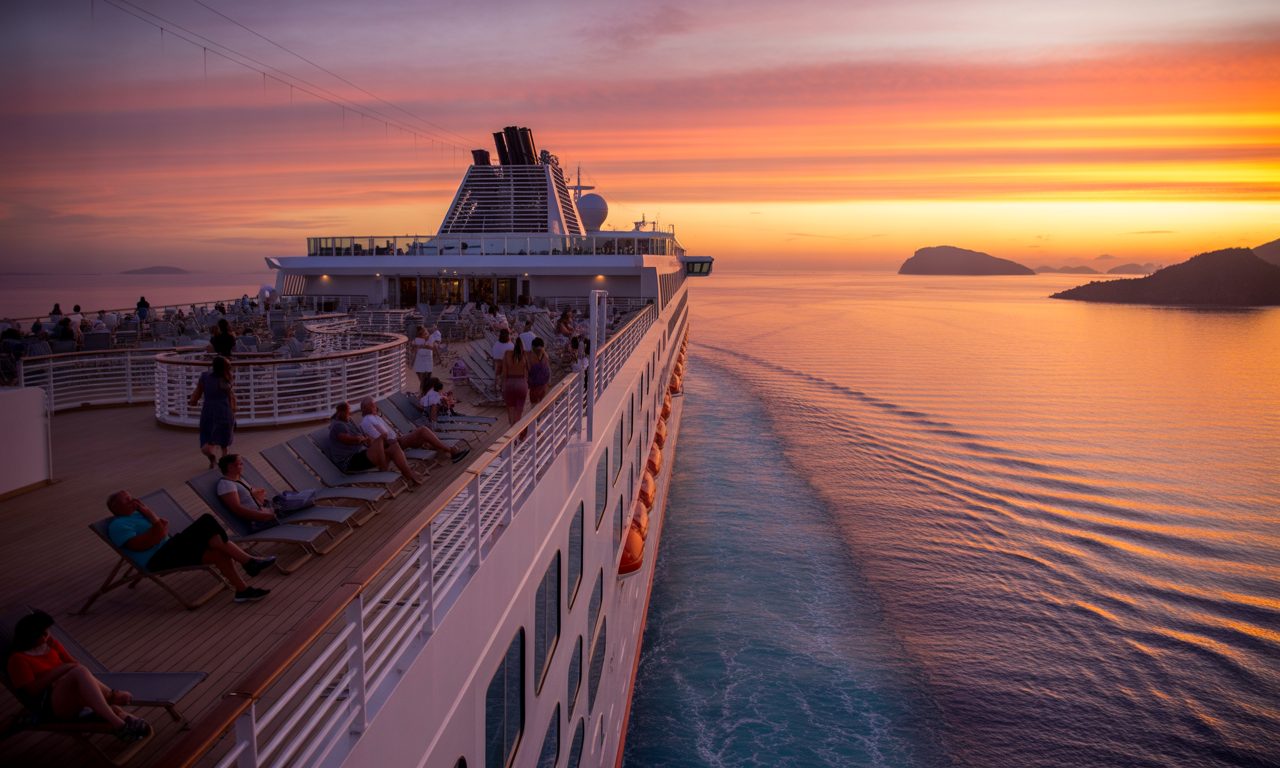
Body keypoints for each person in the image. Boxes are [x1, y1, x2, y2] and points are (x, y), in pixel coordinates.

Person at [6, 610, 151, 741]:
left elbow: (73, 663)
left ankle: (124, 716)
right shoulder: (18, 659)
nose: (47, 636)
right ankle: (117, 721)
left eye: (47, 632)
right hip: (51, 706)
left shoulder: (50, 644)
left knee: (80, 674)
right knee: (78, 671)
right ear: (30, 636)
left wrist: (66, 671)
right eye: (42, 634)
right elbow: (32, 690)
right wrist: (62, 670)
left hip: (72, 694)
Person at [106, 490, 274, 602]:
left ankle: (243, 590)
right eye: (127, 500)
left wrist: (156, 525)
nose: (134, 501)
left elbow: (163, 529)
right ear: (116, 507)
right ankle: (249, 562)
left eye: (131, 497)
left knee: (218, 551)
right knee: (206, 521)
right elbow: (141, 545)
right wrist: (153, 519)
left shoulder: (138, 514)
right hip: (158, 558)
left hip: (171, 549)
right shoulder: (118, 525)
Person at [324, 402, 424, 486]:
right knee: (381, 439)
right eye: (347, 412)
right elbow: (347, 439)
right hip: (349, 461)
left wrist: (365, 439)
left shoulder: (347, 421)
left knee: (393, 446)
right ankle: (384, 469)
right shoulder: (337, 426)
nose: (349, 414)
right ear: (340, 413)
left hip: (360, 455)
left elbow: (360, 436)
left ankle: (407, 473)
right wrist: (360, 439)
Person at [359, 397, 468, 468]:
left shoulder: (372, 417)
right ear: (366, 408)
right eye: (373, 405)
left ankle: (447, 451)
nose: (375, 407)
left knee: (423, 435)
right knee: (423, 430)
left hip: (397, 440)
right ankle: (451, 451)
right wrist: (396, 438)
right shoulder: (369, 419)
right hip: (395, 444)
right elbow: (383, 437)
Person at [190, 355, 235, 468]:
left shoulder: (220, 377)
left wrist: (193, 400)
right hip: (216, 411)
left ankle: (219, 461)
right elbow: (199, 389)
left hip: (217, 410)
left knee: (218, 441)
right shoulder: (215, 377)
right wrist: (193, 400)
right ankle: (215, 459)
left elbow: (230, 396)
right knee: (214, 444)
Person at [216, 454, 278, 531]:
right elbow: (238, 509)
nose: (242, 466)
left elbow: (249, 499)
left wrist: (259, 496)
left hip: (264, 510)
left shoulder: (238, 479)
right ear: (230, 467)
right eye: (240, 464)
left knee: (289, 501)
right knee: (291, 505)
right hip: (258, 521)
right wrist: (266, 515)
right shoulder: (227, 485)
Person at [498, 337, 530, 424]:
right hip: (521, 383)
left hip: (509, 384)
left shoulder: (507, 354)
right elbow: (527, 373)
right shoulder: (524, 355)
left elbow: (504, 373)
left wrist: (502, 385)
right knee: (518, 412)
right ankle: (517, 434)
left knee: (510, 410)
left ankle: (512, 430)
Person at [527, 337, 552, 405]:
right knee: (543, 406)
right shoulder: (545, 356)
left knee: (534, 407)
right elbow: (548, 370)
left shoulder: (530, 358)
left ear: (533, 347)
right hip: (544, 386)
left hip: (534, 387)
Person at [410, 325, 434, 390]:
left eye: (426, 333)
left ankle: (424, 392)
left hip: (427, 362)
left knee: (425, 380)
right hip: (420, 362)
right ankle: (424, 392)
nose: (426, 335)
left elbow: (432, 348)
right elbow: (412, 349)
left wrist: (422, 346)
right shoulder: (416, 341)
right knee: (423, 381)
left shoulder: (429, 340)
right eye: (424, 333)